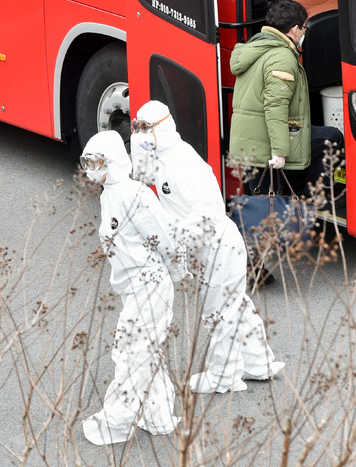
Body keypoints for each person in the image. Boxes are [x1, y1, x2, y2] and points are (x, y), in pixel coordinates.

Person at [131, 100, 284, 394]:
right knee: (236, 305)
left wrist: (177, 240)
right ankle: (259, 362)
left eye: (146, 127)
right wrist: (139, 147)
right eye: (137, 126)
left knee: (218, 313)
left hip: (218, 248)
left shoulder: (183, 163)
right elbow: (142, 177)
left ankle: (223, 376)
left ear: (163, 127)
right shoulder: (161, 157)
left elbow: (209, 210)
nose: (140, 133)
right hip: (208, 248)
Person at [80, 130, 186, 445]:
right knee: (145, 351)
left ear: (111, 161)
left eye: (96, 162)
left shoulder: (134, 195)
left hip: (150, 286)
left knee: (129, 351)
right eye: (86, 162)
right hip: (133, 287)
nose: (90, 170)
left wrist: (178, 271)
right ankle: (159, 416)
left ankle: (117, 420)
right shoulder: (108, 195)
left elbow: (164, 236)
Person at [229, 0, 343, 197]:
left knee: (265, 201)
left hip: (250, 140)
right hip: (266, 141)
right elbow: (275, 106)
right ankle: (315, 197)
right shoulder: (282, 56)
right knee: (332, 138)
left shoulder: (256, 47)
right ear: (295, 29)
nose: (304, 33)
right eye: (304, 28)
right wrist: (279, 151)